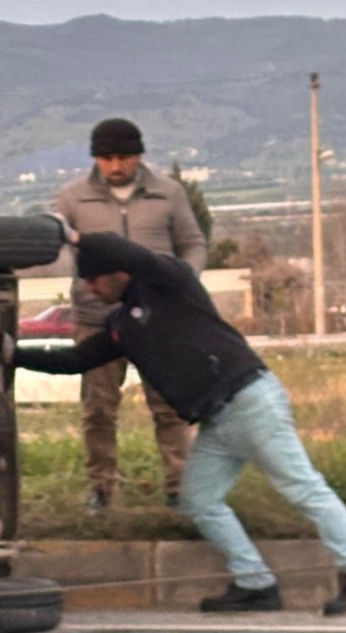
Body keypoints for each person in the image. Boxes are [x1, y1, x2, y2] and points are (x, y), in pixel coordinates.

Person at [11, 228, 346, 615]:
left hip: (249, 401)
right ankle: (255, 584)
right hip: (217, 422)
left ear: (118, 271)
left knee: (303, 489)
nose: (89, 290)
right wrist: (11, 352)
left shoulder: (170, 282)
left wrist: (74, 236)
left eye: (94, 279)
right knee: (198, 500)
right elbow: (75, 361)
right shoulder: (122, 324)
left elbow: (131, 253)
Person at [52, 118, 208, 513]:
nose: (115, 165)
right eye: (106, 158)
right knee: (98, 410)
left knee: (169, 405)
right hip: (95, 318)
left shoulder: (169, 194)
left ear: (138, 156)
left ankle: (180, 489)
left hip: (160, 320)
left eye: (123, 157)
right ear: (95, 159)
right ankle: (102, 490)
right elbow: (56, 245)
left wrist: (184, 283)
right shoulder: (71, 199)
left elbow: (193, 243)